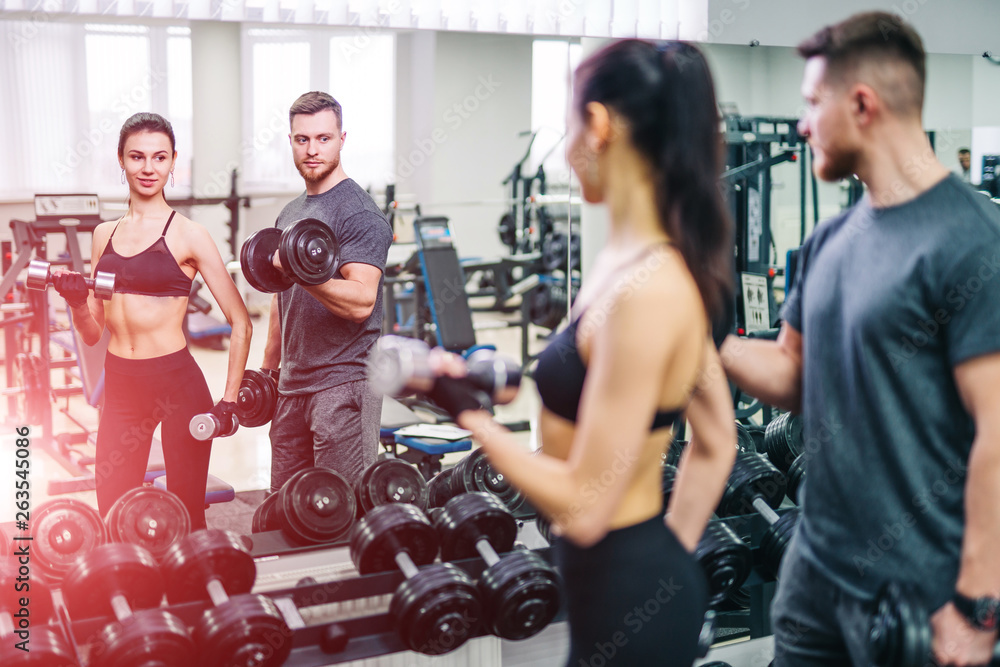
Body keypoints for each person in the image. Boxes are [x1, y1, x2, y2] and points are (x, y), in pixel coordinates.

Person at [423, 40, 738, 666]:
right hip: (619, 586)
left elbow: (587, 507)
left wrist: (471, 418)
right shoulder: (632, 265)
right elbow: (718, 437)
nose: (566, 155)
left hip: (630, 599)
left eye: (569, 126)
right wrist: (670, 551)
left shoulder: (648, 289)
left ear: (597, 126)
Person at [720, 12, 1000, 667]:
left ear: (863, 103)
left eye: (813, 103)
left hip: (920, 593)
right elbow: (792, 372)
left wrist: (979, 602)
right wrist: (705, 343)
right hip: (814, 576)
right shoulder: (829, 241)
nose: (802, 123)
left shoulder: (971, 241)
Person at [55, 112, 252, 530]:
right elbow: (92, 334)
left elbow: (241, 322)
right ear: (122, 161)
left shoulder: (189, 235)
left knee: (187, 518)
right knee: (113, 512)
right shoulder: (103, 235)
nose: (148, 168)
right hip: (122, 385)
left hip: (176, 384)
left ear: (173, 162)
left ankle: (195, 590)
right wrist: (76, 302)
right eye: (137, 157)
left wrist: (229, 403)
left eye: (159, 158)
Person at [261, 91, 393, 493]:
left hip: (343, 382)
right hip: (292, 385)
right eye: (303, 140)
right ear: (291, 142)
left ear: (341, 139)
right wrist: (268, 372)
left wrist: (302, 272)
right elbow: (279, 303)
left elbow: (360, 301)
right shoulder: (291, 213)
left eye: (323, 138)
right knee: (288, 507)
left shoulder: (360, 214)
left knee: (340, 511)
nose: (313, 149)